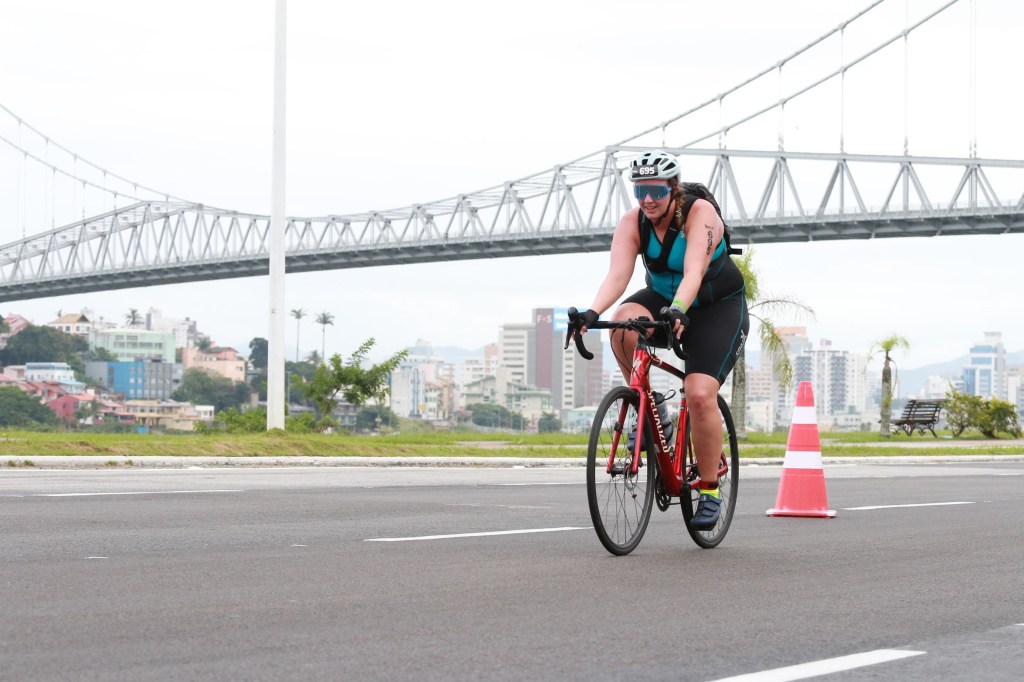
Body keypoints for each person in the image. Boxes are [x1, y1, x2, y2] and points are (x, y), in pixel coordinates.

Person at [574, 149, 749, 530]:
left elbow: (694, 271)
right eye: (640, 191)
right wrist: (591, 312)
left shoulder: (700, 213)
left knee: (699, 393)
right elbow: (618, 276)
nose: (648, 199)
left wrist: (679, 309)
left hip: (716, 306)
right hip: (666, 299)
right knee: (623, 323)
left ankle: (709, 490)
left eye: (656, 190)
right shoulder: (632, 222)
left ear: (674, 188)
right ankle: (649, 408)